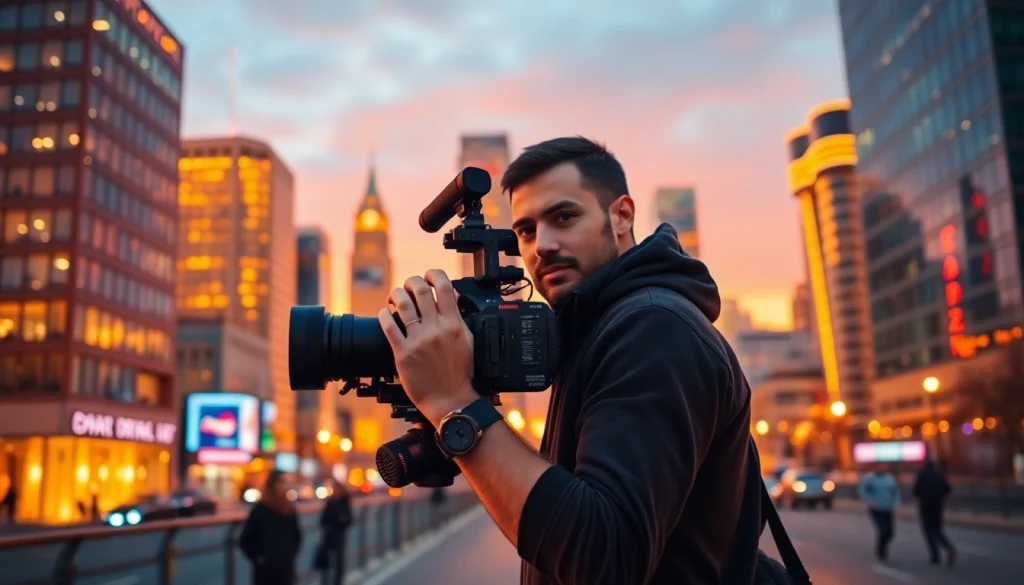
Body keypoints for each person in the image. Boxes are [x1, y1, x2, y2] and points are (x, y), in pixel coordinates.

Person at [375, 136, 762, 584]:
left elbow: (604, 557)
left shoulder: (652, 327)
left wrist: (454, 403)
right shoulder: (597, 327)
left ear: (622, 216)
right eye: (525, 230)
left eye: (564, 217)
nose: (543, 245)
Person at [239, 469, 303, 585]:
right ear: (272, 484)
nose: (284, 486)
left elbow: (296, 536)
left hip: (286, 569)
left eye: (286, 482)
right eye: (281, 482)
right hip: (265, 572)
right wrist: (260, 558)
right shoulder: (260, 510)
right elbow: (245, 539)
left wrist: (289, 554)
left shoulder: (289, 510)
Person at [913, 459, 955, 565]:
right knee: (938, 529)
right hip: (938, 506)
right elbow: (947, 489)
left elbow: (916, 491)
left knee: (928, 531)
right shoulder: (940, 475)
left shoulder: (921, 475)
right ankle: (948, 547)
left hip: (925, 506)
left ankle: (935, 556)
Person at [858, 464, 902, 562]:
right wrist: (871, 502)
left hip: (888, 508)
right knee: (883, 530)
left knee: (890, 533)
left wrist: (895, 504)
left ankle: (882, 547)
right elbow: (863, 492)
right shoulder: (869, 479)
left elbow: (895, 492)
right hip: (876, 509)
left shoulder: (889, 478)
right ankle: (881, 552)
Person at [317, 478, 352, 585]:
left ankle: (337, 582)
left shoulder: (344, 501)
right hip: (329, 535)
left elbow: (349, 519)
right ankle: (326, 582)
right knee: (327, 561)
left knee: (338, 562)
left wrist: (341, 520)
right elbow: (323, 519)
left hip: (338, 535)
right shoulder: (331, 501)